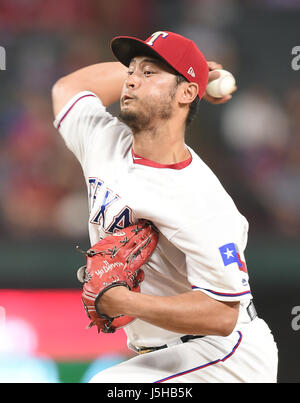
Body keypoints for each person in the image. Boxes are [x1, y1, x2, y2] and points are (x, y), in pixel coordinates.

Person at [52, 31, 278, 383]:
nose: (130, 80)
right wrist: (192, 73)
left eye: (149, 72)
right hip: (171, 356)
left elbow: (222, 314)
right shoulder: (102, 139)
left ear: (186, 93)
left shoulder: (200, 198)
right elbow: (68, 88)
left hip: (225, 356)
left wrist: (125, 302)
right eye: (131, 71)